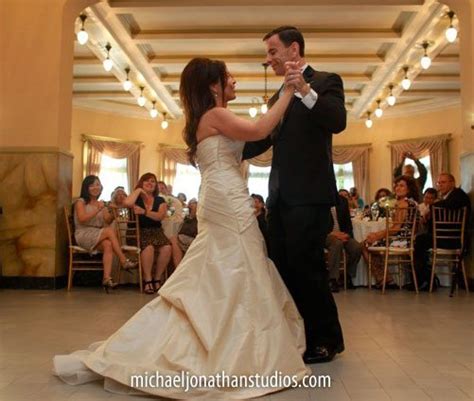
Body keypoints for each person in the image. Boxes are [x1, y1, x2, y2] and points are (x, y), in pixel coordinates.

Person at [53, 57, 310, 398]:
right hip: (226, 197)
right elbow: (260, 130)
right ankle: (234, 344)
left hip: (223, 194)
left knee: (228, 265)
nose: (233, 81)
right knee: (234, 263)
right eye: (227, 77)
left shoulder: (207, 118)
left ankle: (231, 338)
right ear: (213, 86)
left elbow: (255, 136)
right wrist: (290, 91)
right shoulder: (216, 115)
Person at [242, 26, 346, 364]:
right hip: (280, 199)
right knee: (284, 267)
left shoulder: (328, 80)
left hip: (310, 197)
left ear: (294, 49)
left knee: (309, 268)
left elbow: (336, 121)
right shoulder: (276, 98)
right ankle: (299, 335)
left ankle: (326, 340)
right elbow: (262, 139)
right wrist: (225, 143)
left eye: (273, 51)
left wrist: (304, 90)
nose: (268, 59)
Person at [73, 176, 136, 291]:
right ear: (86, 188)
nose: (95, 187)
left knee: (108, 244)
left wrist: (113, 210)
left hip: (96, 234)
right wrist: (98, 209)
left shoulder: (101, 203)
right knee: (109, 231)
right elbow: (82, 219)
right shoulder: (80, 202)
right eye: (92, 185)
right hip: (83, 233)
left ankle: (106, 279)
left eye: (97, 184)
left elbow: (107, 220)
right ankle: (123, 260)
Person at [413, 173, 471, 291]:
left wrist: (431, 207)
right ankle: (426, 279)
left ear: (452, 183)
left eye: (443, 182)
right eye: (439, 183)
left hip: (454, 240)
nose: (440, 185)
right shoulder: (447, 197)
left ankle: (426, 280)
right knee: (420, 239)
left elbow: (452, 204)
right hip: (446, 237)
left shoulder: (458, 194)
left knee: (419, 241)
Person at [361, 176, 419, 289]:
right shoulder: (413, 203)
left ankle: (385, 280)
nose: (398, 188)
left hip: (401, 241)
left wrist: (377, 235)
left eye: (402, 185)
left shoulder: (403, 204)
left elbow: (396, 228)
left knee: (365, 244)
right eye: (397, 185)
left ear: (409, 189)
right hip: (408, 239)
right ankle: (386, 279)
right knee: (370, 243)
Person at [123, 173, 172, 295]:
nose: (150, 183)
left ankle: (157, 278)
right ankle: (148, 280)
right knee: (148, 247)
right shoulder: (136, 198)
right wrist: (139, 190)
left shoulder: (160, 200)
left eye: (153, 181)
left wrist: (144, 212)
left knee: (167, 247)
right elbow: (127, 203)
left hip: (156, 231)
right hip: (137, 232)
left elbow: (160, 216)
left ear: (156, 186)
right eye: (146, 181)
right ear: (141, 183)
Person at [326, 195, 362, 292]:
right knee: (337, 244)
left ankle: (347, 276)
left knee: (357, 247)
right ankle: (332, 279)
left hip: (342, 234)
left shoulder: (342, 201)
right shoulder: (318, 200)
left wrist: (347, 235)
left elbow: (347, 223)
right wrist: (333, 233)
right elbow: (316, 224)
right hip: (325, 234)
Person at [169, 198, 198, 267]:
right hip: (185, 237)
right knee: (173, 239)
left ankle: (178, 269)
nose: (190, 205)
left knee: (174, 240)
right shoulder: (186, 215)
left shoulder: (197, 217)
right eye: (190, 203)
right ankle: (179, 268)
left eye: (193, 203)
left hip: (192, 238)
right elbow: (171, 215)